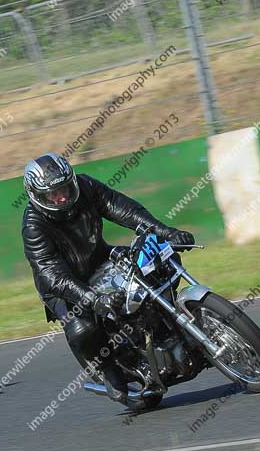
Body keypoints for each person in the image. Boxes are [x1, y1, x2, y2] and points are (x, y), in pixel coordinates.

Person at [21, 153, 195, 403]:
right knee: (82, 327)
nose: (62, 198)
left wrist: (166, 232)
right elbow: (51, 273)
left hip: (99, 257)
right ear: (38, 196)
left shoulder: (86, 187)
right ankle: (108, 370)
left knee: (159, 262)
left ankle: (170, 325)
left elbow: (123, 208)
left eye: (65, 189)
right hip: (64, 285)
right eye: (53, 195)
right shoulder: (33, 226)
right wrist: (93, 299)